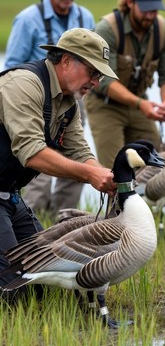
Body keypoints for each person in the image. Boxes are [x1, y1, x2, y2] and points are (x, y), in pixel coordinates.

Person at [0, 28, 118, 301]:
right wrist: (90, 174)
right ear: (66, 61)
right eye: (93, 72)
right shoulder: (23, 84)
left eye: (100, 75)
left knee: (49, 281)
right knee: (13, 293)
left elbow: (79, 150)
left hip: (11, 197)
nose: (96, 82)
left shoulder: (69, 102)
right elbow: (32, 153)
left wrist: (107, 176)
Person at [4, 0, 96, 219]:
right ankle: (33, 214)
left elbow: (94, 62)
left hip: (72, 102)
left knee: (76, 157)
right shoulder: (27, 19)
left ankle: (62, 220)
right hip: (34, 100)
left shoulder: (85, 17)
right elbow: (12, 68)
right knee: (39, 165)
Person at [85, 0, 165, 169]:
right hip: (105, 106)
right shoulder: (107, 29)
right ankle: (116, 199)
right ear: (130, 3)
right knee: (114, 171)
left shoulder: (164, 30)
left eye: (154, 10)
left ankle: (145, 200)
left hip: (139, 103)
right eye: (145, 10)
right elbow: (106, 81)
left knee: (154, 165)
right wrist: (141, 103)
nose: (150, 16)